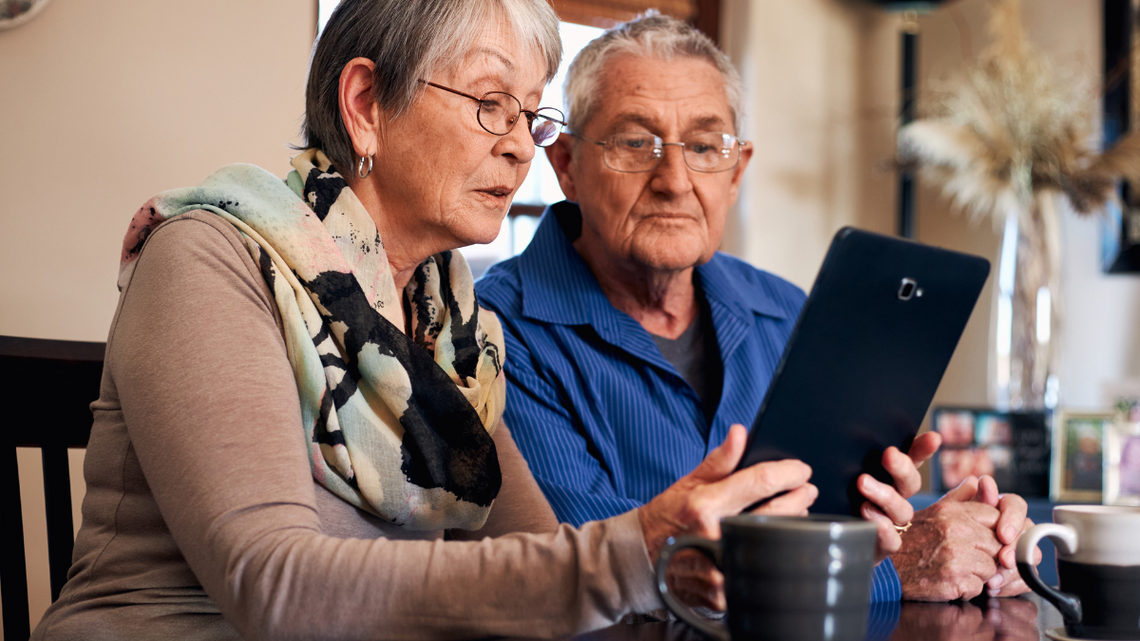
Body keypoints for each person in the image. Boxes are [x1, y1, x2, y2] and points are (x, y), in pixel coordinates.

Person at [29, 2, 848, 639]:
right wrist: (636, 548)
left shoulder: (449, 326)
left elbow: (535, 559)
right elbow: (273, 589)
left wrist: (694, 556)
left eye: (531, 114)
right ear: (366, 105)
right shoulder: (211, 257)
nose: (522, 148)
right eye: (492, 103)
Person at [476, 12, 1036, 606]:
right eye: (636, 143)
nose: (674, 179)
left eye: (704, 146)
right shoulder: (491, 331)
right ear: (566, 166)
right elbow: (590, 568)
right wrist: (894, 567)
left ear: (737, 170)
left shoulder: (786, 311)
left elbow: (842, 516)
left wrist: (959, 538)